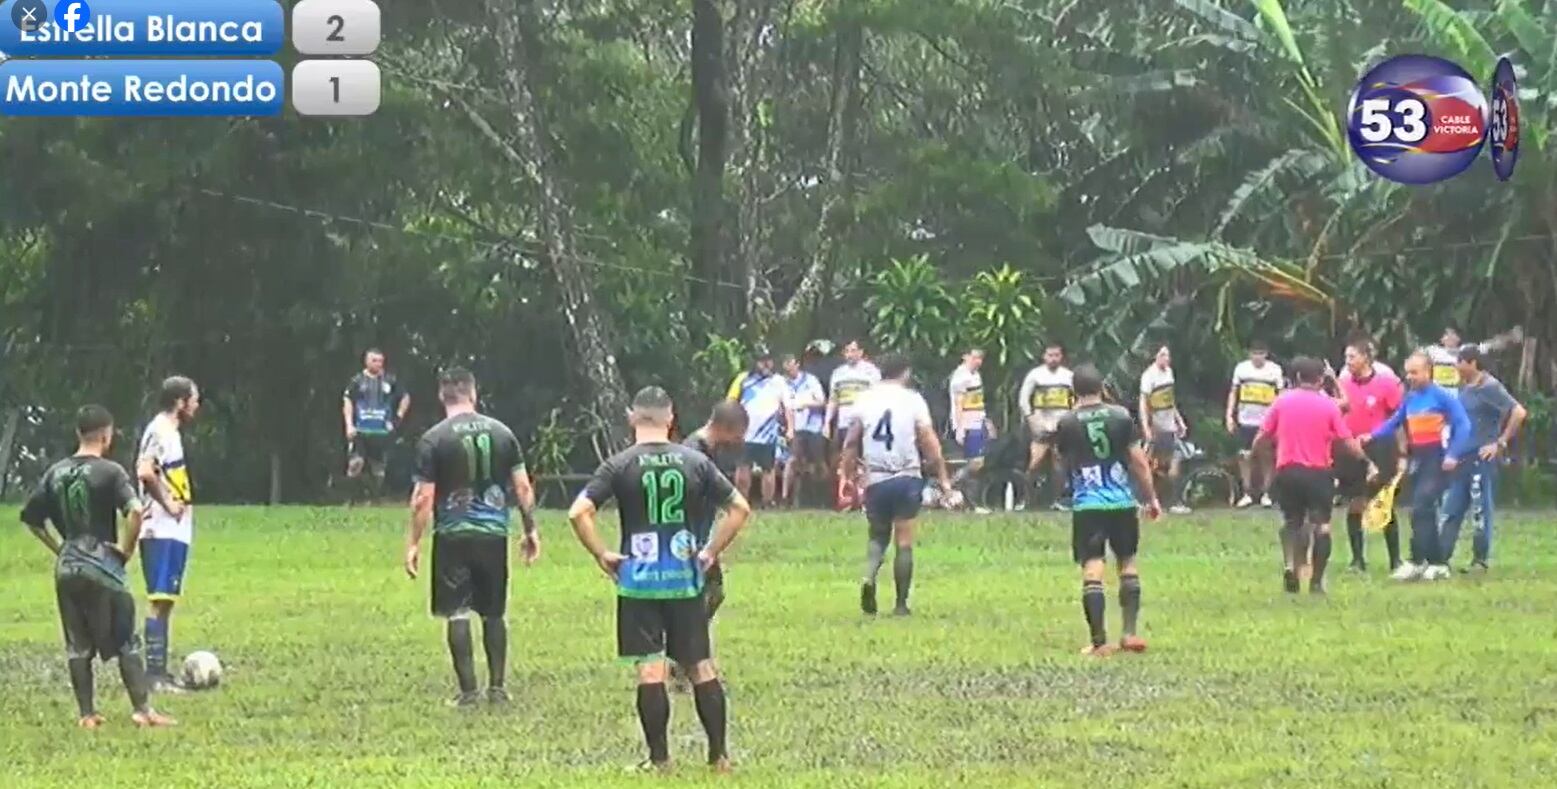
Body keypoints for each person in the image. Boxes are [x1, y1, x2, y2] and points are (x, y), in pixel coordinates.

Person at [568, 387, 752, 773]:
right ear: (671, 419)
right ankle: (719, 757)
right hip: (684, 578)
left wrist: (602, 553)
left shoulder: (619, 464)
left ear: (632, 418)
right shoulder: (695, 462)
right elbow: (739, 508)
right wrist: (710, 551)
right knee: (701, 666)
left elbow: (578, 512)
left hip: (639, 582)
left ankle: (660, 761)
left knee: (651, 669)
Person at [20, 405, 176, 729]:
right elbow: (134, 511)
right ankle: (143, 710)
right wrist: (125, 549)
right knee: (126, 641)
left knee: (78, 645)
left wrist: (59, 548)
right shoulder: (111, 472)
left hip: (67, 567)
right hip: (103, 565)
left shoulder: (55, 472)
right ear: (107, 435)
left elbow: (31, 519)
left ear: (78, 434)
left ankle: (87, 715)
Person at [403, 368, 541, 707]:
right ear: (473, 393)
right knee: (494, 611)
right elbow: (523, 488)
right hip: (493, 533)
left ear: (442, 396)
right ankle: (498, 688)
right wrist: (530, 529)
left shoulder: (434, 439)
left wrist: (414, 543)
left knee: (458, 611)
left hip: (453, 534)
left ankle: (468, 693)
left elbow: (423, 499)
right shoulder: (503, 433)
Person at [1041, 365, 1160, 657]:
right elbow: (1138, 461)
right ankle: (1130, 633)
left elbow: (1060, 463)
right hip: (1121, 500)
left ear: (1074, 391)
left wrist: (1060, 490)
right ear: (1101, 387)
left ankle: (1099, 642)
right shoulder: (1120, 416)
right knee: (1127, 562)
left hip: (1088, 503)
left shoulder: (1067, 422)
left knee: (1093, 567)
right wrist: (1151, 498)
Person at [840, 353, 955, 617]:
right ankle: (901, 604)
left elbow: (850, 442)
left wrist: (847, 476)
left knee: (878, 535)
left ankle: (869, 576)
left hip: (876, 479)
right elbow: (929, 442)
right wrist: (943, 477)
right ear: (905, 372)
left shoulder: (865, 398)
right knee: (904, 539)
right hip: (906, 476)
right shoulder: (913, 400)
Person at [1255, 357, 1373, 595]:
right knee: (1322, 526)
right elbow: (1347, 441)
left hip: (1288, 470)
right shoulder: (1328, 405)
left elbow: (1262, 437)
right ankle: (1317, 581)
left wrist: (1257, 457)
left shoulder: (1281, 402)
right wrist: (1367, 462)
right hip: (1318, 473)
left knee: (1292, 522)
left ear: (1296, 378)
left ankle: (1291, 565)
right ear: (1320, 379)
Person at [1365, 352, 1474, 582]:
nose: (1410, 377)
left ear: (1428, 372)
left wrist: (1453, 454)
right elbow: (1395, 421)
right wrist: (1371, 436)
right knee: (1420, 510)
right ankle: (1429, 561)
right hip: (1419, 457)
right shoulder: (1411, 398)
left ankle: (1426, 561)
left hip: (1438, 457)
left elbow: (1463, 425)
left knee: (1422, 505)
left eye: (1415, 372)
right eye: (1408, 372)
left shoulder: (1442, 397)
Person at [136, 376, 200, 692]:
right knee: (159, 600)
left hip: (170, 529)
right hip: (160, 527)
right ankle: (155, 675)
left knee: (166, 599)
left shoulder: (169, 432)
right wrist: (168, 503)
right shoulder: (161, 430)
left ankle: (159, 672)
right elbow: (145, 471)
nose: (197, 406)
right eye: (194, 399)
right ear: (180, 402)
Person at [1439, 346, 1527, 573]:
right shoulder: (1464, 387)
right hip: (1461, 458)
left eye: (1460, 362)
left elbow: (1518, 412)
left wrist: (1500, 442)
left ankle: (1480, 560)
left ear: (1472, 363)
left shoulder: (1490, 387)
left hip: (1481, 459)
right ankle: (1441, 558)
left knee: (1480, 511)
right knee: (1451, 508)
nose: (1456, 367)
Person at [1336, 339, 1405, 573]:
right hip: (1350, 447)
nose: (1348, 362)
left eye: (1352, 357)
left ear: (1366, 357)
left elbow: (1398, 417)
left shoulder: (1386, 382)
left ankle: (1395, 559)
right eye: (1346, 357)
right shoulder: (1343, 381)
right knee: (1354, 503)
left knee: (1384, 502)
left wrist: (1401, 451)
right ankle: (1357, 559)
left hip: (1380, 447)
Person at [682, 401, 748, 622]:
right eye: (738, 435)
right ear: (725, 427)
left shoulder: (709, 451)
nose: (740, 441)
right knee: (695, 604)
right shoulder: (694, 455)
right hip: (687, 541)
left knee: (713, 595)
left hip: (702, 537)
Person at [343, 348, 411, 502]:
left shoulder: (390, 380)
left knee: (379, 470)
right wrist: (349, 424)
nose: (378, 364)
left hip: (381, 432)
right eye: (374, 360)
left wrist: (397, 419)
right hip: (360, 430)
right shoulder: (357, 381)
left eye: (381, 361)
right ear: (366, 361)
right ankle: (351, 499)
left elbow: (405, 397)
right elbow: (347, 400)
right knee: (356, 464)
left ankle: (374, 499)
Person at [726, 348, 788, 507]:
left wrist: (790, 428)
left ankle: (768, 502)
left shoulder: (778, 381)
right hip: (745, 432)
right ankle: (741, 502)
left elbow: (788, 407)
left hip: (768, 433)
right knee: (742, 467)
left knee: (768, 469)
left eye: (769, 360)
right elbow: (731, 402)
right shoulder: (743, 379)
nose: (766, 364)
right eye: (762, 361)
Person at [1226, 341, 1283, 508]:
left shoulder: (1274, 370)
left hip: (1266, 422)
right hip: (1245, 420)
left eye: (1261, 353)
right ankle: (1247, 492)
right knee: (1245, 456)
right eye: (1254, 353)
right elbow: (1233, 393)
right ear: (1249, 354)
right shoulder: (1241, 369)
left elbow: (1281, 396)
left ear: (1266, 354)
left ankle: (1267, 493)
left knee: (1266, 456)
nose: (1258, 357)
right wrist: (1230, 415)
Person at [1018, 343, 1074, 510]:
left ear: (1061, 357)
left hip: (1061, 423)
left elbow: (1077, 398)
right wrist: (1031, 419)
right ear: (1044, 356)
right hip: (1041, 423)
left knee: (1059, 465)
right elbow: (1023, 400)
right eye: (1050, 355)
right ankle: (1027, 500)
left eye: (1056, 355)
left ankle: (1056, 500)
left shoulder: (1068, 376)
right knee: (1034, 464)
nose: (1053, 359)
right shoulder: (1035, 375)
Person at [1139, 346, 1191, 515]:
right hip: (1156, 427)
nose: (1166, 358)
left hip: (1169, 426)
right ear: (1155, 356)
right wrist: (1146, 427)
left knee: (1174, 462)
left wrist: (1179, 420)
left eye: (1168, 354)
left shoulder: (1169, 373)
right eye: (1162, 355)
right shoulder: (1149, 376)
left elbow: (1170, 400)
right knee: (1152, 465)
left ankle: (1173, 501)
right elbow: (1143, 404)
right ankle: (1148, 500)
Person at [781, 354, 828, 507]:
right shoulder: (783, 383)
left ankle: (821, 496)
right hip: (796, 427)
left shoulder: (810, 380)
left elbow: (822, 401)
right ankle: (786, 497)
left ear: (797, 364)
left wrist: (806, 404)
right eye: (786, 364)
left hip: (814, 426)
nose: (789, 366)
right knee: (793, 460)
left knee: (818, 462)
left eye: (791, 363)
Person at [1425, 325, 1521, 394]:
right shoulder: (1433, 352)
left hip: (1461, 395)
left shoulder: (1468, 351)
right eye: (1446, 334)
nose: (1450, 337)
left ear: (1459, 338)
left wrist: (1511, 337)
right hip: (1439, 395)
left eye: (1453, 334)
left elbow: (1490, 345)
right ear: (1441, 339)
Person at [948, 349, 994, 459]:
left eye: (980, 358)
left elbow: (977, 401)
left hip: (978, 421)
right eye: (975, 358)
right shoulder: (961, 377)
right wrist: (959, 428)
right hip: (968, 424)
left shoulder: (976, 375)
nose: (978, 361)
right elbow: (959, 403)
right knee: (974, 460)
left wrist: (986, 420)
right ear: (965, 357)